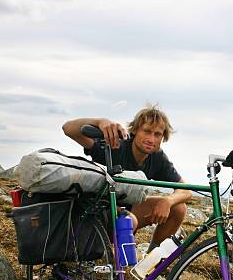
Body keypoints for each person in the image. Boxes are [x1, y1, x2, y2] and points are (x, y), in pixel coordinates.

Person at [62, 104, 191, 254]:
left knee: (178, 208)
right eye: (147, 131)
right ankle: (118, 266)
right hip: (95, 211)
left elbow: (185, 190)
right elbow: (68, 129)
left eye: (157, 134)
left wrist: (168, 201)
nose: (151, 139)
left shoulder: (157, 157)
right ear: (135, 130)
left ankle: (151, 262)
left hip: (126, 212)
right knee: (130, 221)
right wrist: (99, 122)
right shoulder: (115, 144)